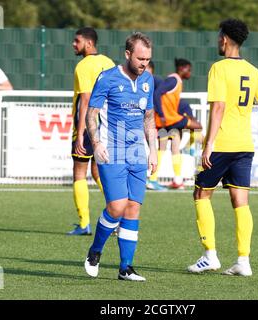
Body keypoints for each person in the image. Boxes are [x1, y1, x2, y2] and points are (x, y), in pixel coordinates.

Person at [187, 18, 258, 276]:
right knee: (241, 202)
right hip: (244, 146)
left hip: (222, 144)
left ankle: (210, 256)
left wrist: (208, 145)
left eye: (218, 36)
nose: (217, 40)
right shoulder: (254, 71)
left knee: (201, 194)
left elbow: (219, 108)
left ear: (224, 39)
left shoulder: (219, 68)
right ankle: (243, 261)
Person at [83, 32, 157, 281]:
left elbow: (149, 118)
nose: (144, 63)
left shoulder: (148, 79)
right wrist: (95, 143)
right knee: (116, 207)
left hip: (137, 152)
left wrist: (153, 151)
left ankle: (126, 267)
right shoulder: (107, 78)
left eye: (147, 59)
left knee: (133, 208)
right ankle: (95, 251)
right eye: (140, 58)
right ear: (127, 54)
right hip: (111, 150)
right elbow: (91, 114)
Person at [68, 27, 115, 236]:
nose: (73, 44)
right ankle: (117, 215)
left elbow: (85, 100)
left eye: (77, 41)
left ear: (89, 43)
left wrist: (80, 132)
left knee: (79, 172)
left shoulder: (83, 66)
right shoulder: (109, 62)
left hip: (89, 125)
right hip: (107, 125)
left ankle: (84, 223)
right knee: (99, 171)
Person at [148, 58, 202, 190]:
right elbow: (157, 93)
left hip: (169, 120)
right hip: (170, 119)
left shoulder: (177, 81)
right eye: (188, 70)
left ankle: (176, 180)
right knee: (198, 126)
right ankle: (190, 148)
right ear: (182, 68)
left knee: (172, 148)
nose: (190, 73)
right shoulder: (174, 80)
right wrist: (161, 114)